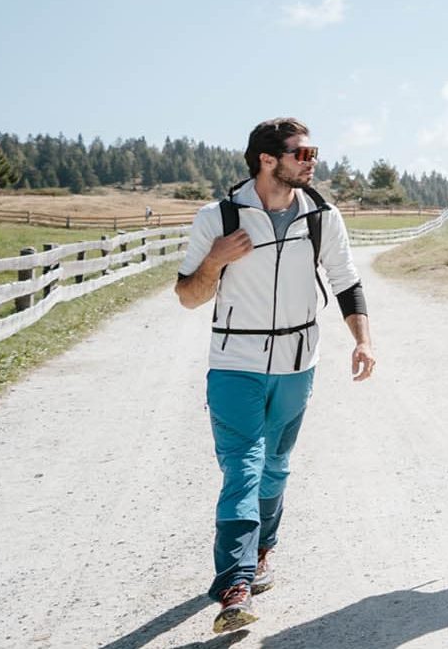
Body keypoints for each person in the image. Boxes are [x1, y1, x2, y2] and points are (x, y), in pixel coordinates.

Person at [174, 118, 375, 634]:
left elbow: (346, 282)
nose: (312, 161)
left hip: (297, 363)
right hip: (235, 363)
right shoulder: (218, 217)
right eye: (302, 153)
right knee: (243, 466)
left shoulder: (320, 216)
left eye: (313, 152)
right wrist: (216, 261)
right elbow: (188, 296)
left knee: (276, 467)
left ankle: (262, 551)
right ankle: (235, 583)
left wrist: (363, 340)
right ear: (268, 160)